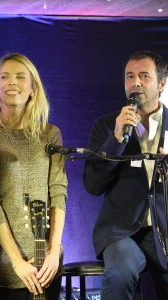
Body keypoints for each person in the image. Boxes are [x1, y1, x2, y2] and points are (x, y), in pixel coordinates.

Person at [0, 53, 68, 300]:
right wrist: (17, 262)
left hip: (47, 267)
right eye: (5, 77)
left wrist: (54, 250)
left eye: (20, 77)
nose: (12, 82)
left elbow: (58, 191)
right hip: (1, 268)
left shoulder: (51, 134)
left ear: (33, 89)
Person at [83, 50, 168, 299]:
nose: (136, 83)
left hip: (164, 230)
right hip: (121, 231)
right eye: (129, 77)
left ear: (162, 83)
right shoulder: (107, 125)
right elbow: (93, 184)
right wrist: (116, 138)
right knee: (120, 273)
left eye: (144, 76)